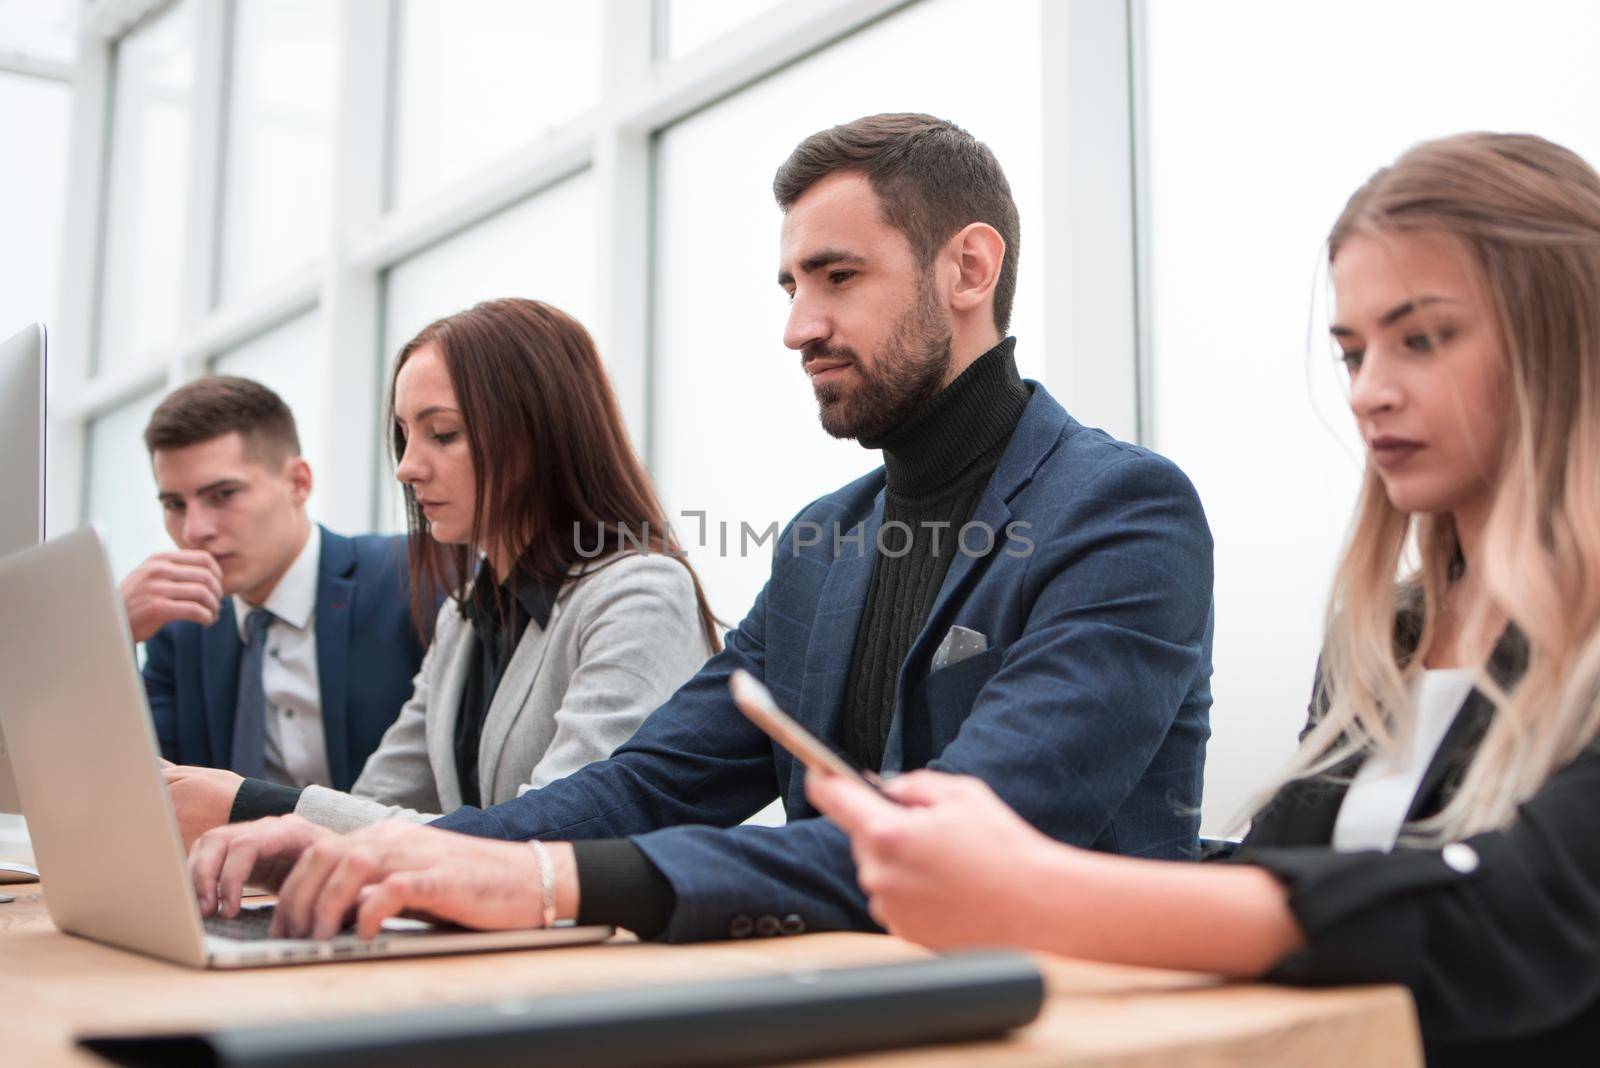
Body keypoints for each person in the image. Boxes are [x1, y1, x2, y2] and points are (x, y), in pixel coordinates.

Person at [186, 113, 1216, 946]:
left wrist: (535, 878)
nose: (797, 326)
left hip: (1071, 1021)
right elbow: (650, 782)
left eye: (837, 276)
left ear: (969, 269)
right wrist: (389, 850)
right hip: (857, 1009)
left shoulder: (1120, 512)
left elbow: (951, 842)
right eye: (790, 284)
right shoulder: (823, 544)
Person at [808, 132, 1600, 1064]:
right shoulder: (1389, 634)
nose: (1370, 393)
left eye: (1422, 338)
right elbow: (1296, 881)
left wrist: (1044, 888)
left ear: (1566, 334)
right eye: (1351, 353)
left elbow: (1511, 915)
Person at [166, 299, 717, 842]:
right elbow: (377, 801)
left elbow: (559, 835)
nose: (406, 467)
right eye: (405, 435)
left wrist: (249, 806)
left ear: (539, 435)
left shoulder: (640, 594)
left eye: (443, 434)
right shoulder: (466, 615)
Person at [130, 377, 424, 840]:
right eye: (174, 504)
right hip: (240, 895)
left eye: (222, 495)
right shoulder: (178, 629)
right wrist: (114, 637)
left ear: (298, 482)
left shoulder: (410, 579)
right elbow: (137, 796)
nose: (194, 530)